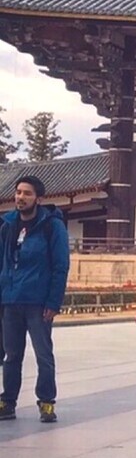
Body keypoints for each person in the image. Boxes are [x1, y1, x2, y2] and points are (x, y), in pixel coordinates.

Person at [0, 175, 70, 423]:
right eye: (18, 192)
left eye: (27, 193)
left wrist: (53, 302)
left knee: (43, 355)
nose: (21, 197)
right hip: (11, 300)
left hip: (38, 303)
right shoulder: (7, 225)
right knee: (11, 355)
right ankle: (8, 401)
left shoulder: (52, 226)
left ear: (39, 199)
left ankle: (47, 401)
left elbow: (61, 266)